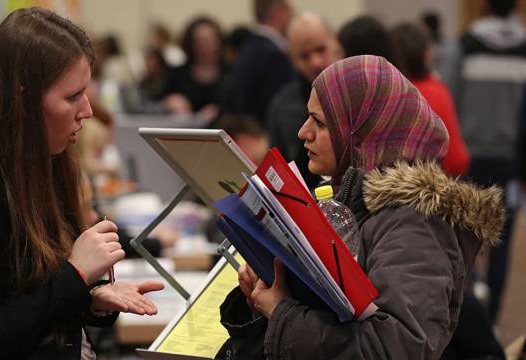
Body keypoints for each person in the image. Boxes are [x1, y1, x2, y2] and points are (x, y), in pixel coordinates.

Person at [0, 8, 164, 359]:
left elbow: (34, 297)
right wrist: (75, 278)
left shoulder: (46, 164)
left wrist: (88, 298)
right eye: (73, 96)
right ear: (22, 99)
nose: (87, 109)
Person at [216, 55, 504, 359]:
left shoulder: (415, 223)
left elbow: (396, 348)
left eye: (321, 123)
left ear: (363, 133)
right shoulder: (351, 201)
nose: (303, 132)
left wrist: (282, 315)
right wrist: (267, 297)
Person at [456, 0, 526, 322]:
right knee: (502, 243)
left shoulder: (465, 46)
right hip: (510, 163)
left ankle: (465, 319)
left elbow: (453, 101)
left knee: (463, 242)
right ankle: (493, 322)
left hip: (469, 161)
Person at [266, 12, 338, 189]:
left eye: (321, 49)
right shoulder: (283, 106)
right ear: (293, 59)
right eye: (305, 56)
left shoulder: (361, 90)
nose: (315, 62)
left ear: (335, 43)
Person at [392, 22, 470, 176]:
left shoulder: (386, 90)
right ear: (425, 54)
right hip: (431, 187)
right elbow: (456, 160)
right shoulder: (436, 92)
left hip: (388, 186)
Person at [220, 0, 296, 126]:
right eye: (290, 12)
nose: (292, 17)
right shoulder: (273, 55)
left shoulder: (247, 48)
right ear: (278, 12)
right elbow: (280, 107)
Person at [163, 16, 227, 121]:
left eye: (209, 40)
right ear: (190, 44)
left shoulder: (232, 74)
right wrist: (168, 102)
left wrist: (221, 110)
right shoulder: (176, 74)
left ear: (219, 41)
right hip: (183, 132)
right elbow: (156, 103)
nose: (205, 45)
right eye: (199, 41)